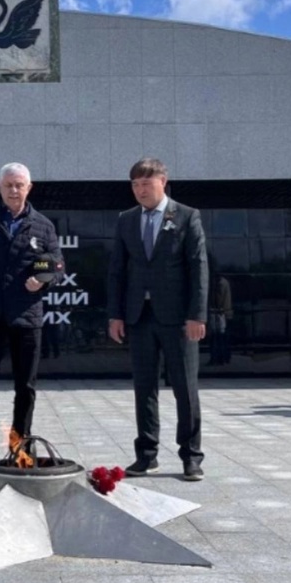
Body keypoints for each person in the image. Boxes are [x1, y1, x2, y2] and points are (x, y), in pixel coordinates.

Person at [107, 157, 208, 481]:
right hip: (139, 317)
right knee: (144, 388)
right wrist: (116, 315)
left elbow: (198, 268)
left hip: (178, 319)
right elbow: (117, 271)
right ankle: (146, 455)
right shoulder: (126, 220)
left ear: (163, 182)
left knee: (185, 389)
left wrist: (196, 315)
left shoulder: (187, 216)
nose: (140, 191)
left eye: (146, 184)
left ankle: (191, 457)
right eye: (135, 185)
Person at [0, 163, 63, 472]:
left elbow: (57, 265)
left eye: (19, 185)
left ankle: (20, 448)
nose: (14, 190)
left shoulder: (43, 225)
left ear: (29, 187)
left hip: (27, 318)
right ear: (0, 188)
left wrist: (42, 279)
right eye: (8, 185)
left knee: (25, 387)